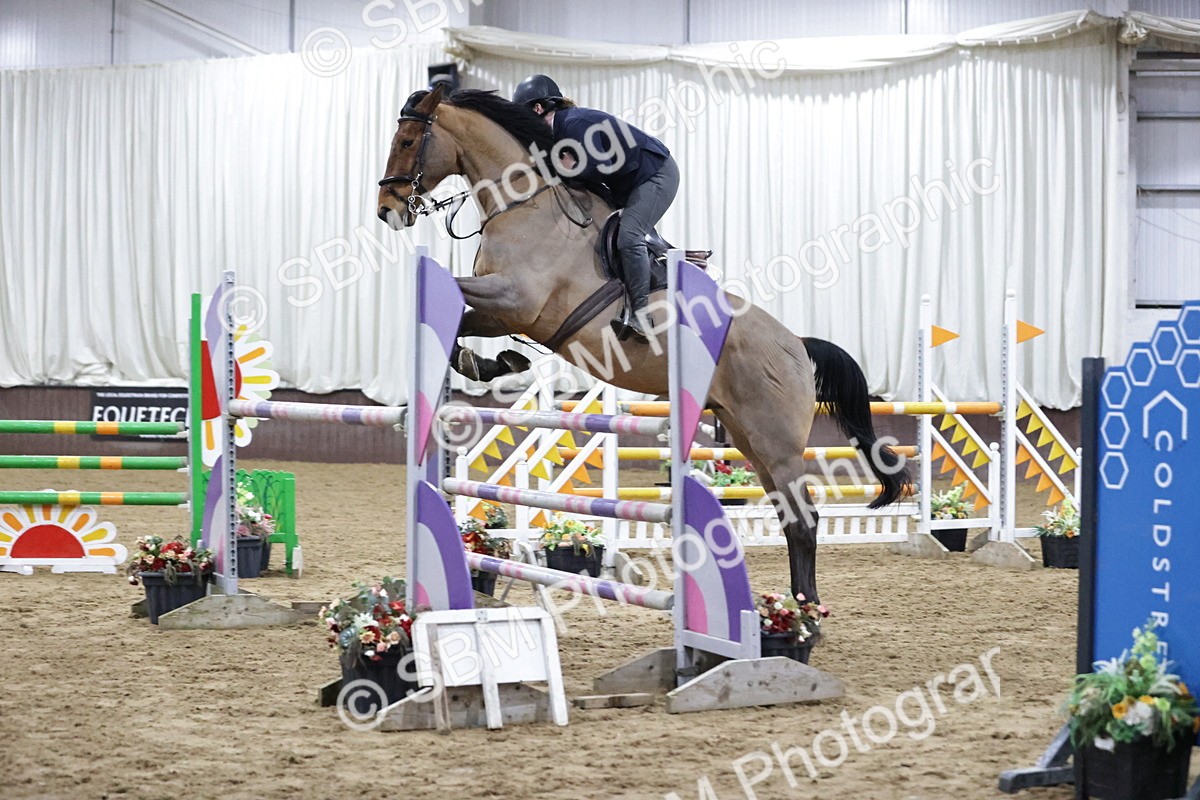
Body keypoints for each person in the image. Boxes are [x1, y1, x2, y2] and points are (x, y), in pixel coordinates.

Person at [513, 74, 678, 343]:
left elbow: (591, 166)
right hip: (629, 181)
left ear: (538, 109)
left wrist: (565, 167)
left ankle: (641, 314)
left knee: (629, 237)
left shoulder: (575, 123)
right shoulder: (560, 133)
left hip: (656, 174)